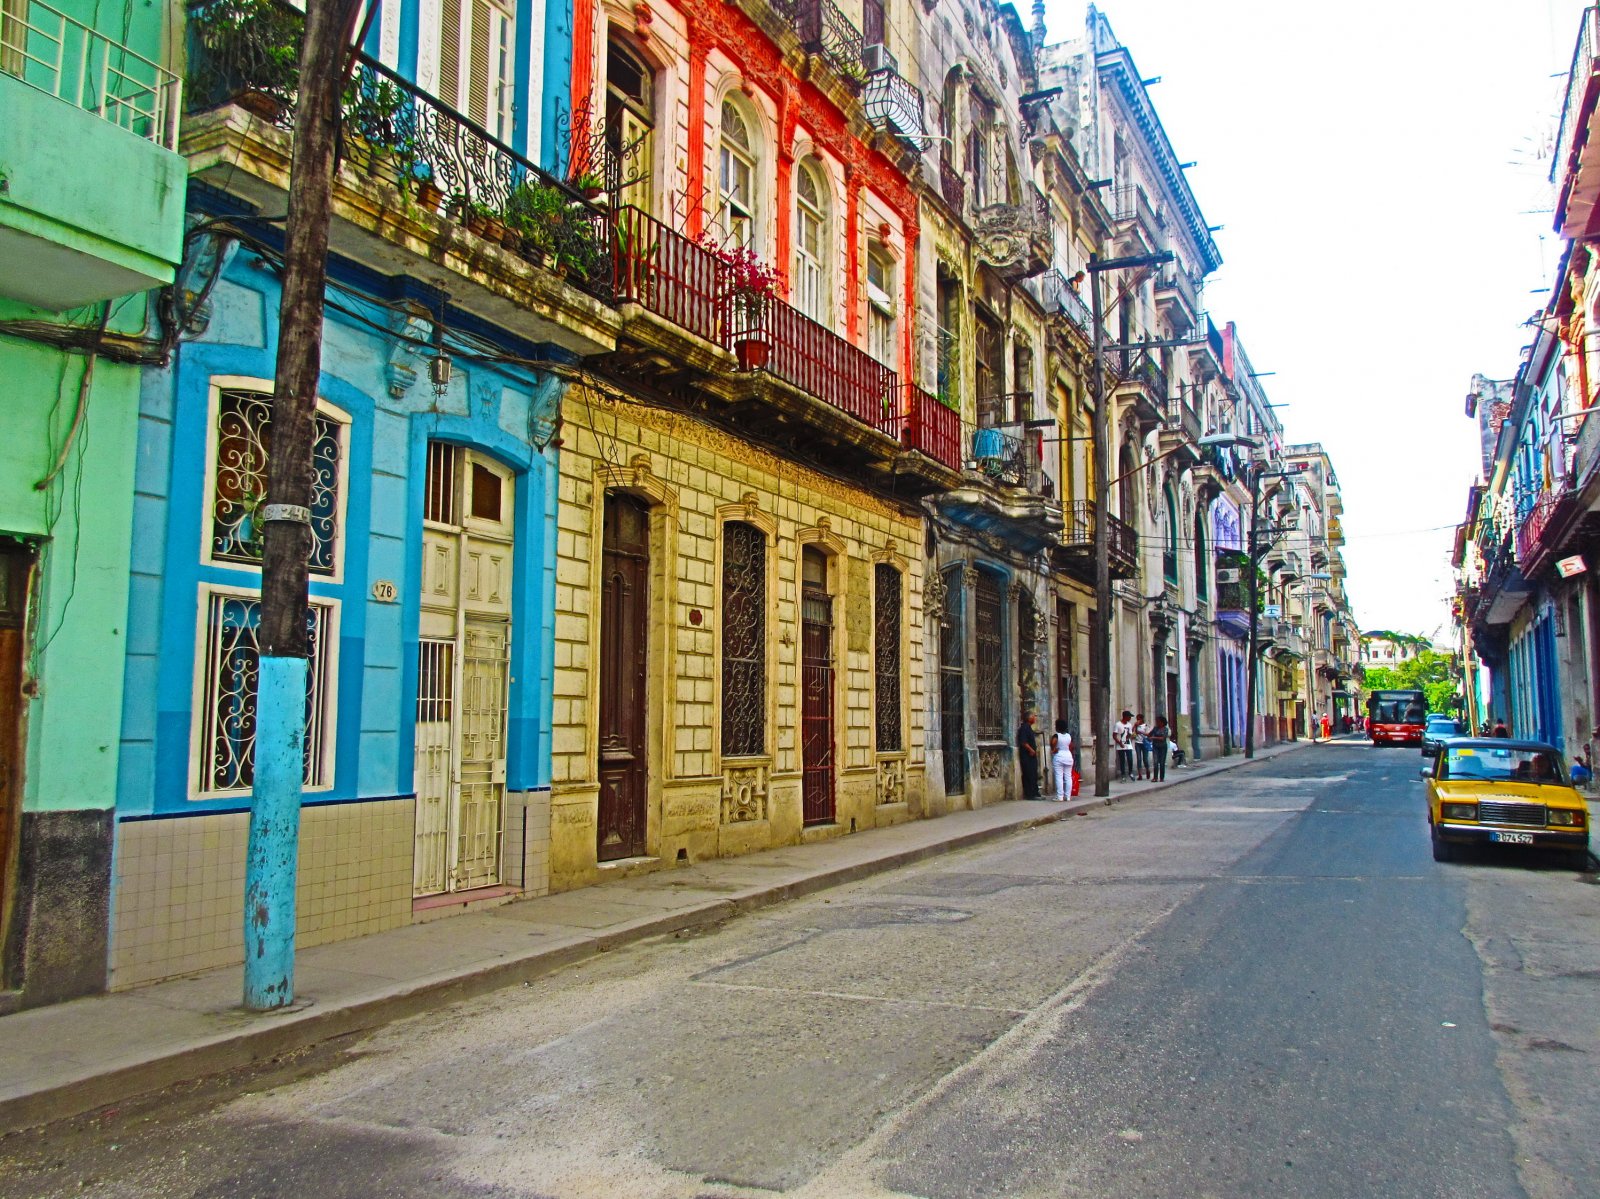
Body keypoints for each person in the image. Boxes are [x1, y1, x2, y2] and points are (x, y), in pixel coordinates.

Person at [1017, 710, 1041, 799]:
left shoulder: (1029, 728)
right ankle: (1030, 794)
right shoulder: (1024, 728)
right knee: (1029, 774)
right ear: (1029, 718)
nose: (1035, 718)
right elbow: (1023, 742)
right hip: (1027, 756)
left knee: (1034, 773)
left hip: (1031, 756)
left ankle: (1035, 792)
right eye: (1033, 716)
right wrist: (1031, 750)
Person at [1050, 718, 1074, 802]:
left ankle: (1060, 796)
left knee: (1059, 776)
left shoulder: (1056, 736)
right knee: (1068, 777)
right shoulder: (1068, 736)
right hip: (1068, 756)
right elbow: (1071, 746)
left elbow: (1053, 743)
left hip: (1059, 756)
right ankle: (1068, 796)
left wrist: (1053, 749)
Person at [1114, 710, 1135, 783]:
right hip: (1120, 744)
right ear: (1125, 717)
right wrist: (1119, 743)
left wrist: (1130, 736)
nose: (1130, 718)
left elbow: (1130, 734)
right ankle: (1123, 775)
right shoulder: (1118, 724)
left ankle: (1130, 772)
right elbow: (1114, 735)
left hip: (1128, 744)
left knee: (1130, 759)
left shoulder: (1129, 725)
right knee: (1122, 760)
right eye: (1129, 717)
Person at [1149, 715, 1171, 782]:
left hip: (1163, 747)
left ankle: (1161, 777)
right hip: (1155, 746)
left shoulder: (1165, 729)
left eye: (1158, 721)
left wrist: (1153, 738)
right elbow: (1149, 734)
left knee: (1162, 762)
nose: (1157, 723)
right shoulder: (1155, 728)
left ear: (1162, 722)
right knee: (1155, 762)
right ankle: (1155, 777)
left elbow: (1163, 738)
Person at [1134, 713, 1151, 780]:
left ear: (1141, 719)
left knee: (1145, 759)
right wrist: (1135, 726)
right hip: (1137, 743)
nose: (1138, 720)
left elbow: (1148, 734)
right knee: (1139, 759)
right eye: (1137, 719)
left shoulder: (1145, 726)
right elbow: (1134, 732)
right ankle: (1140, 774)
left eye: (1139, 719)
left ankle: (1147, 770)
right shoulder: (1136, 725)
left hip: (1144, 743)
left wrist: (1141, 732)